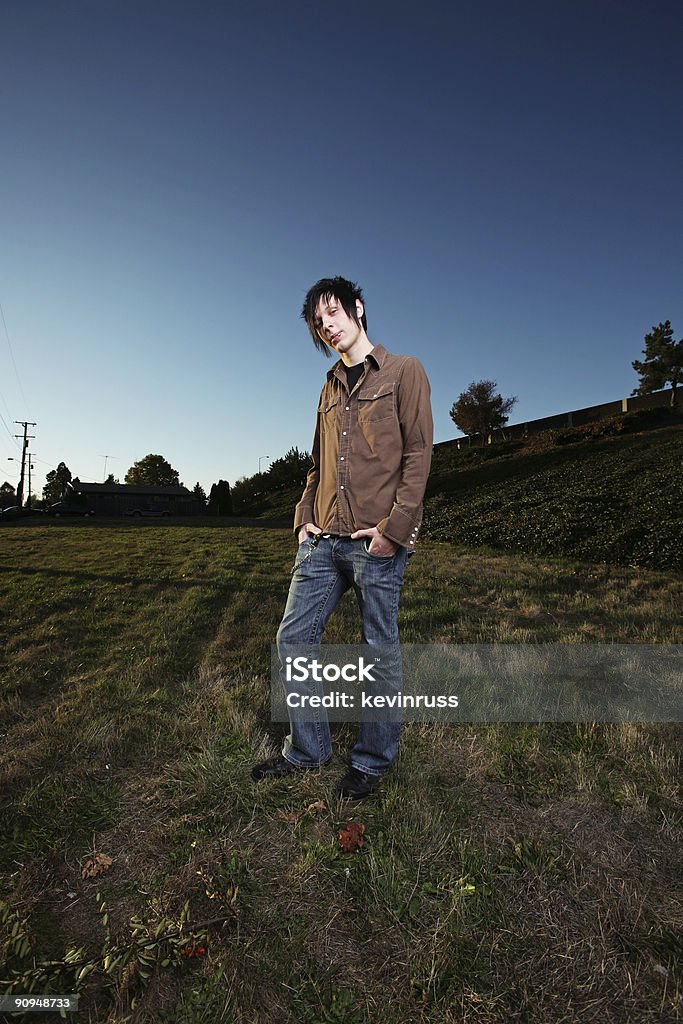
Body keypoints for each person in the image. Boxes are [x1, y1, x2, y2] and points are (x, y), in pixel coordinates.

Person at [251, 275, 433, 799]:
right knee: (293, 640)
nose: (325, 326)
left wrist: (395, 530)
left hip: (375, 541)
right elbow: (316, 464)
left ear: (357, 308)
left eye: (331, 313)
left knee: (378, 648)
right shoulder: (328, 388)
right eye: (317, 322)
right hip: (321, 542)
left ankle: (372, 763)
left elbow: (419, 455)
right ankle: (308, 751)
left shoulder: (405, 371)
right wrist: (303, 517)